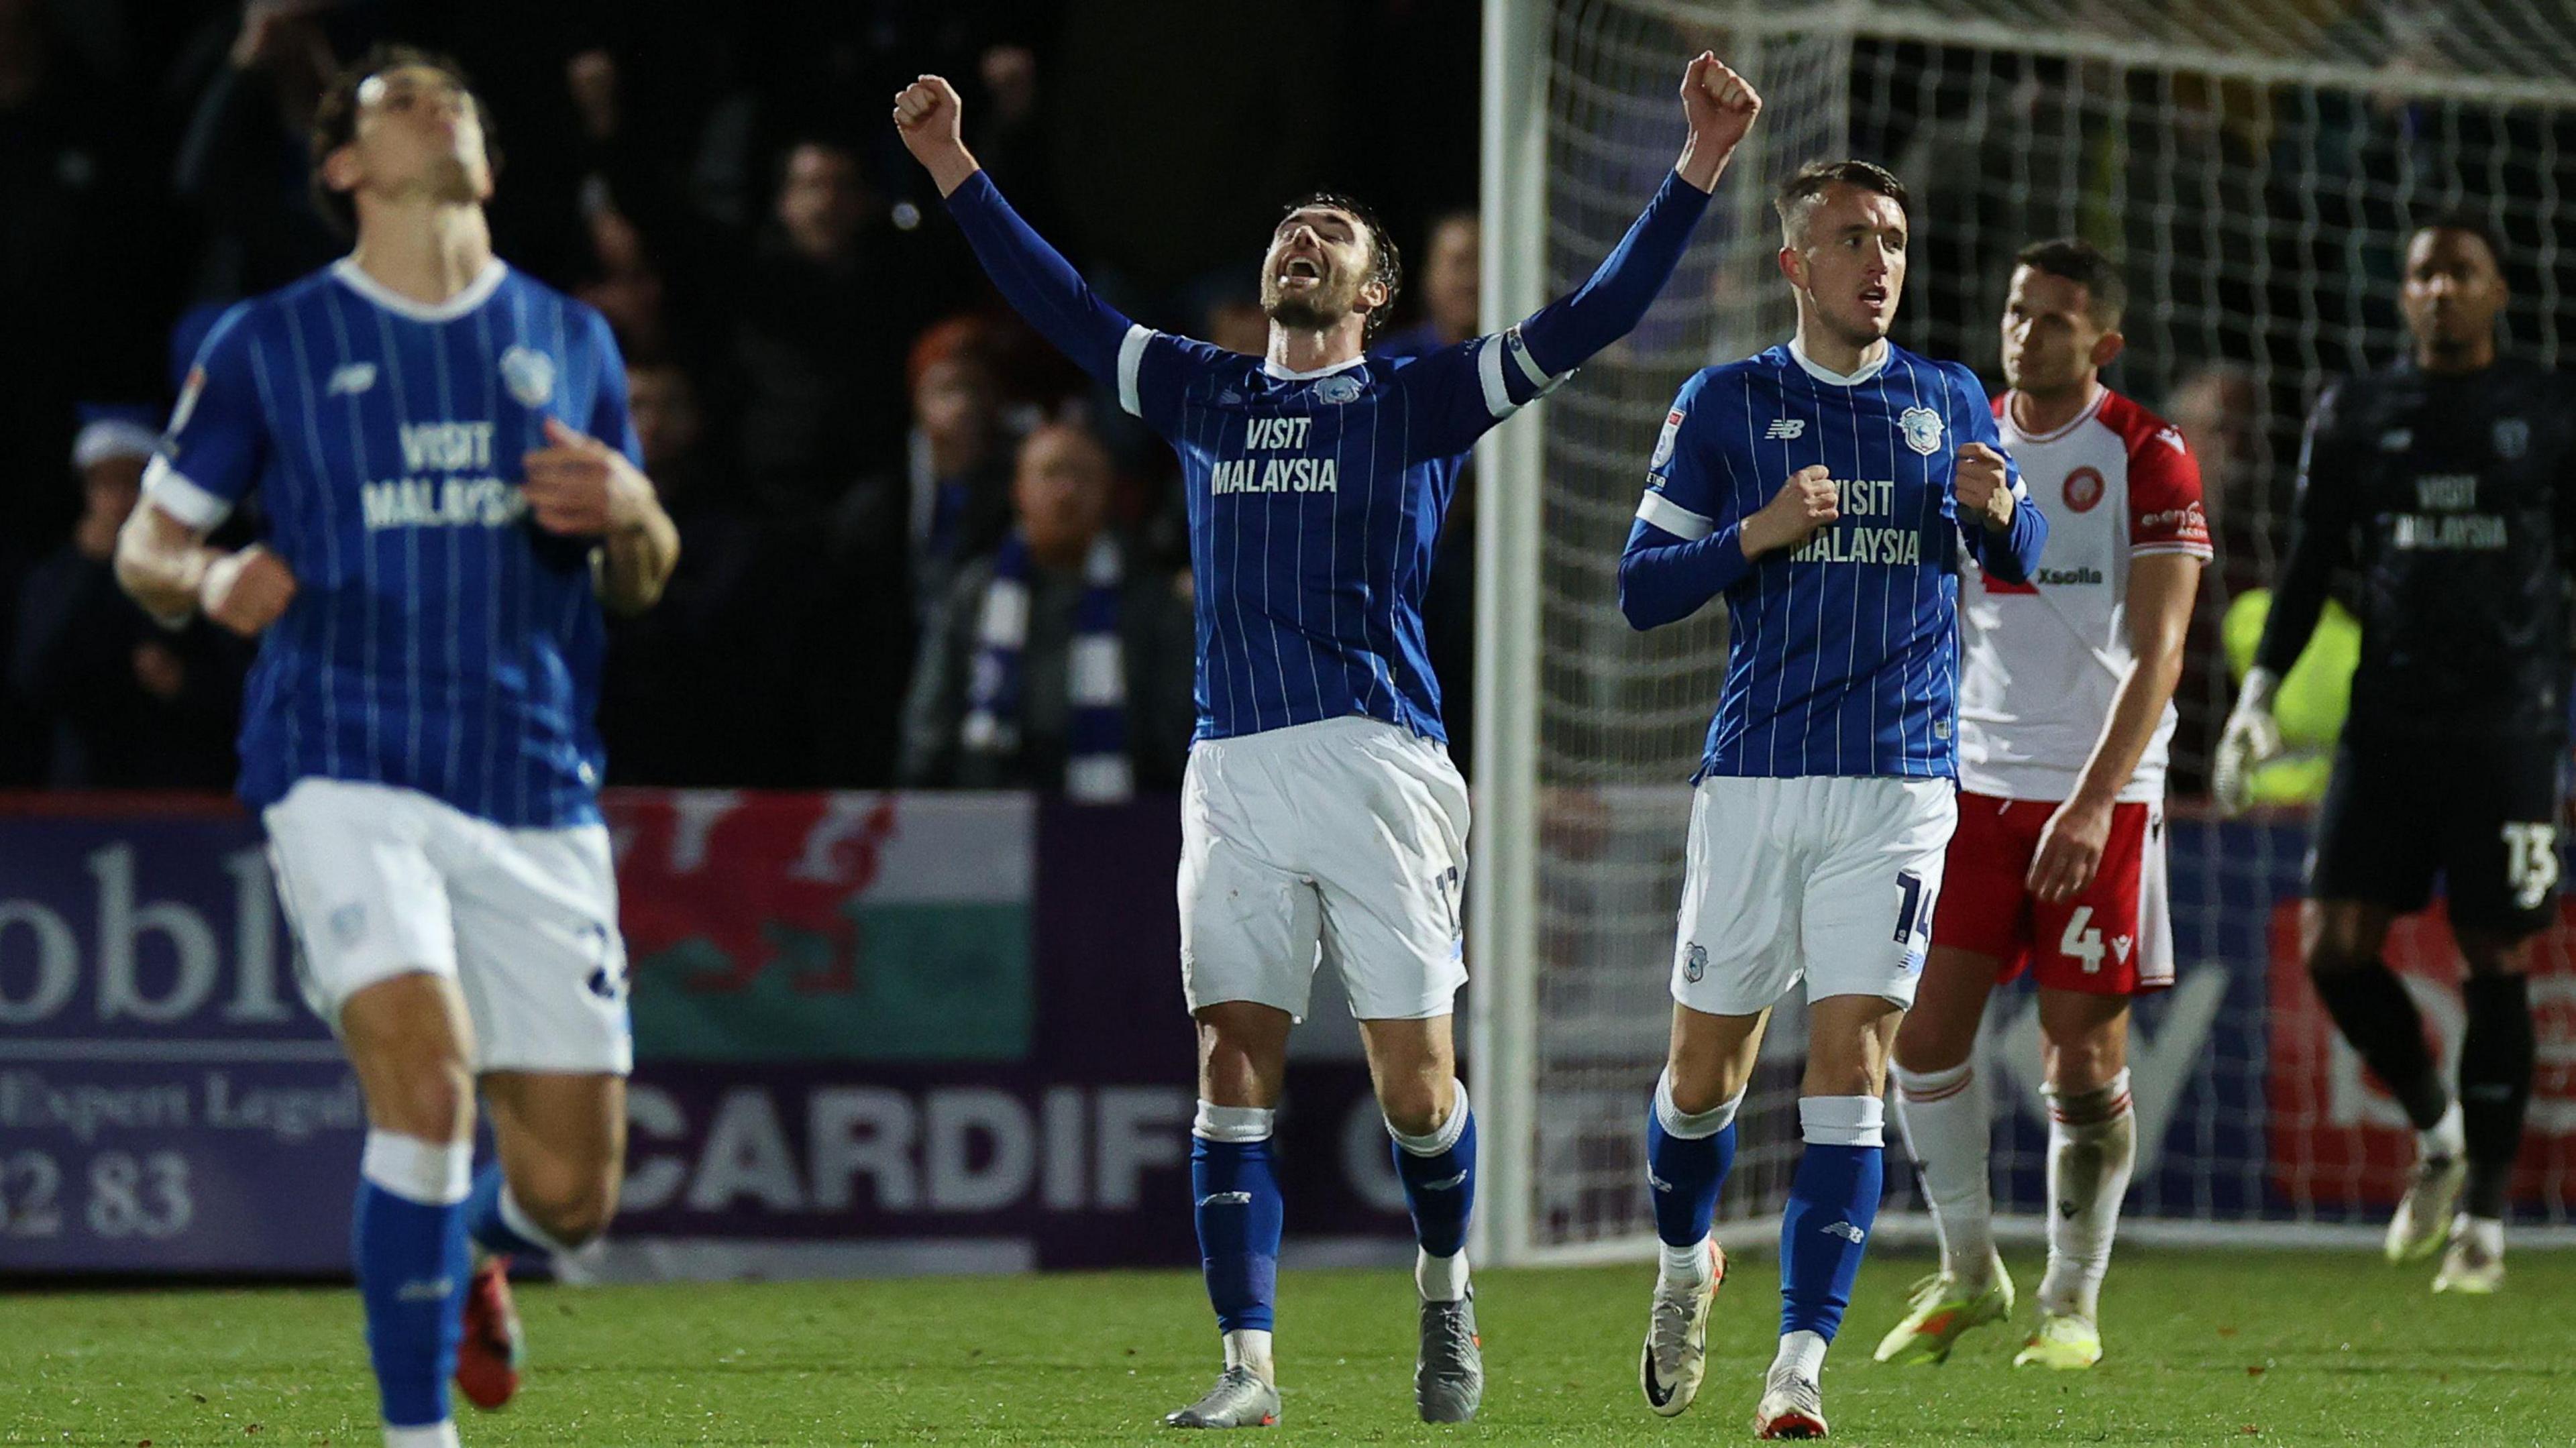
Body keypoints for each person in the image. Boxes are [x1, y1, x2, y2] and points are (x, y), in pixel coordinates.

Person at [896, 52, 1762, 1429]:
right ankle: (1248, 1364)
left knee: (1418, 1091)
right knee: (1229, 1059)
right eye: (1288, 233)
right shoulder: (1201, 390)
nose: (1302, 243)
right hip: (1231, 762)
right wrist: (956, 169)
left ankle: (1445, 1283)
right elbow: (1063, 306)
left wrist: (1697, 167)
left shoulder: (1419, 398)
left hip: (1380, 763)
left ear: (1371, 292)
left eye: (1333, 239)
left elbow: (1592, 318)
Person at [113, 47, 680, 1448]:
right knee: (425, 1081)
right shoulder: (271, 340)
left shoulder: (570, 339)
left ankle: (478, 1246)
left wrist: (629, 506)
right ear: (344, 169)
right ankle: (415, 1434)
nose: (445, 110)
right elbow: (147, 540)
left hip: (531, 776)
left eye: (461, 103)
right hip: (342, 755)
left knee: (572, 1194)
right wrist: (206, 581)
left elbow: (640, 577)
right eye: (402, 101)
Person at [1617, 159, 2047, 1437]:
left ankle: (1797, 1367)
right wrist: (1752, 532)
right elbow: (1642, 586)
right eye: (1853, 239)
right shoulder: (1727, 401)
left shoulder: (1949, 394)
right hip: (1756, 777)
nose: (1881, 262)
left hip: (1900, 782)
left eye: (1896, 240)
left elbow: (2009, 561)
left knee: (1852, 1062)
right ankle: (1685, 1258)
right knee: (1702, 1081)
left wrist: (2009, 511)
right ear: (1797, 263)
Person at [2215, 215, 2576, 1295]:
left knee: (2497, 956)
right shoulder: (2358, 412)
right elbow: (2317, 556)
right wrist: (2259, 698)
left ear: (2498, 290)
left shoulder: (2547, 410)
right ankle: (2438, 1125)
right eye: (2421, 273)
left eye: (2459, 273)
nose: (2438, 290)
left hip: (2509, 729)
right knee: (2333, 944)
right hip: (2389, 727)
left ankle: (2484, 1220)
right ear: (2404, 292)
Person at [1871, 239, 2207, 1372]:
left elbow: (2161, 653)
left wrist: (2092, 800)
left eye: (2056, 318)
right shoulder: (1961, 434)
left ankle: (2072, 1299)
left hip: (2097, 794)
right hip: (1970, 782)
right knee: (1920, 1037)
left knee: (2078, 1057)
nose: (2027, 331)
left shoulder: (2148, 454)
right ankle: (1970, 1269)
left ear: (2102, 344)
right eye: (2018, 309)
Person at [898, 420, 1195, 795]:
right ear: (1018, 490)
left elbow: (1173, 732)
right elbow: (931, 718)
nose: (1066, 492)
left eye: (1084, 476)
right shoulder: (975, 591)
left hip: (1117, 818)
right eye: (1052, 473)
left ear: (1108, 494)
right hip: (985, 811)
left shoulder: (1150, 600)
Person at [13, 405, 247, 787]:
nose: (118, 500)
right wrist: (88, 568)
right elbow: (31, 681)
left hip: (186, 791)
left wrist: (184, 683)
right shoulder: (57, 575)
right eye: (104, 485)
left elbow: (242, 684)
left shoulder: (196, 565)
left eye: (130, 482)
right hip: (81, 797)